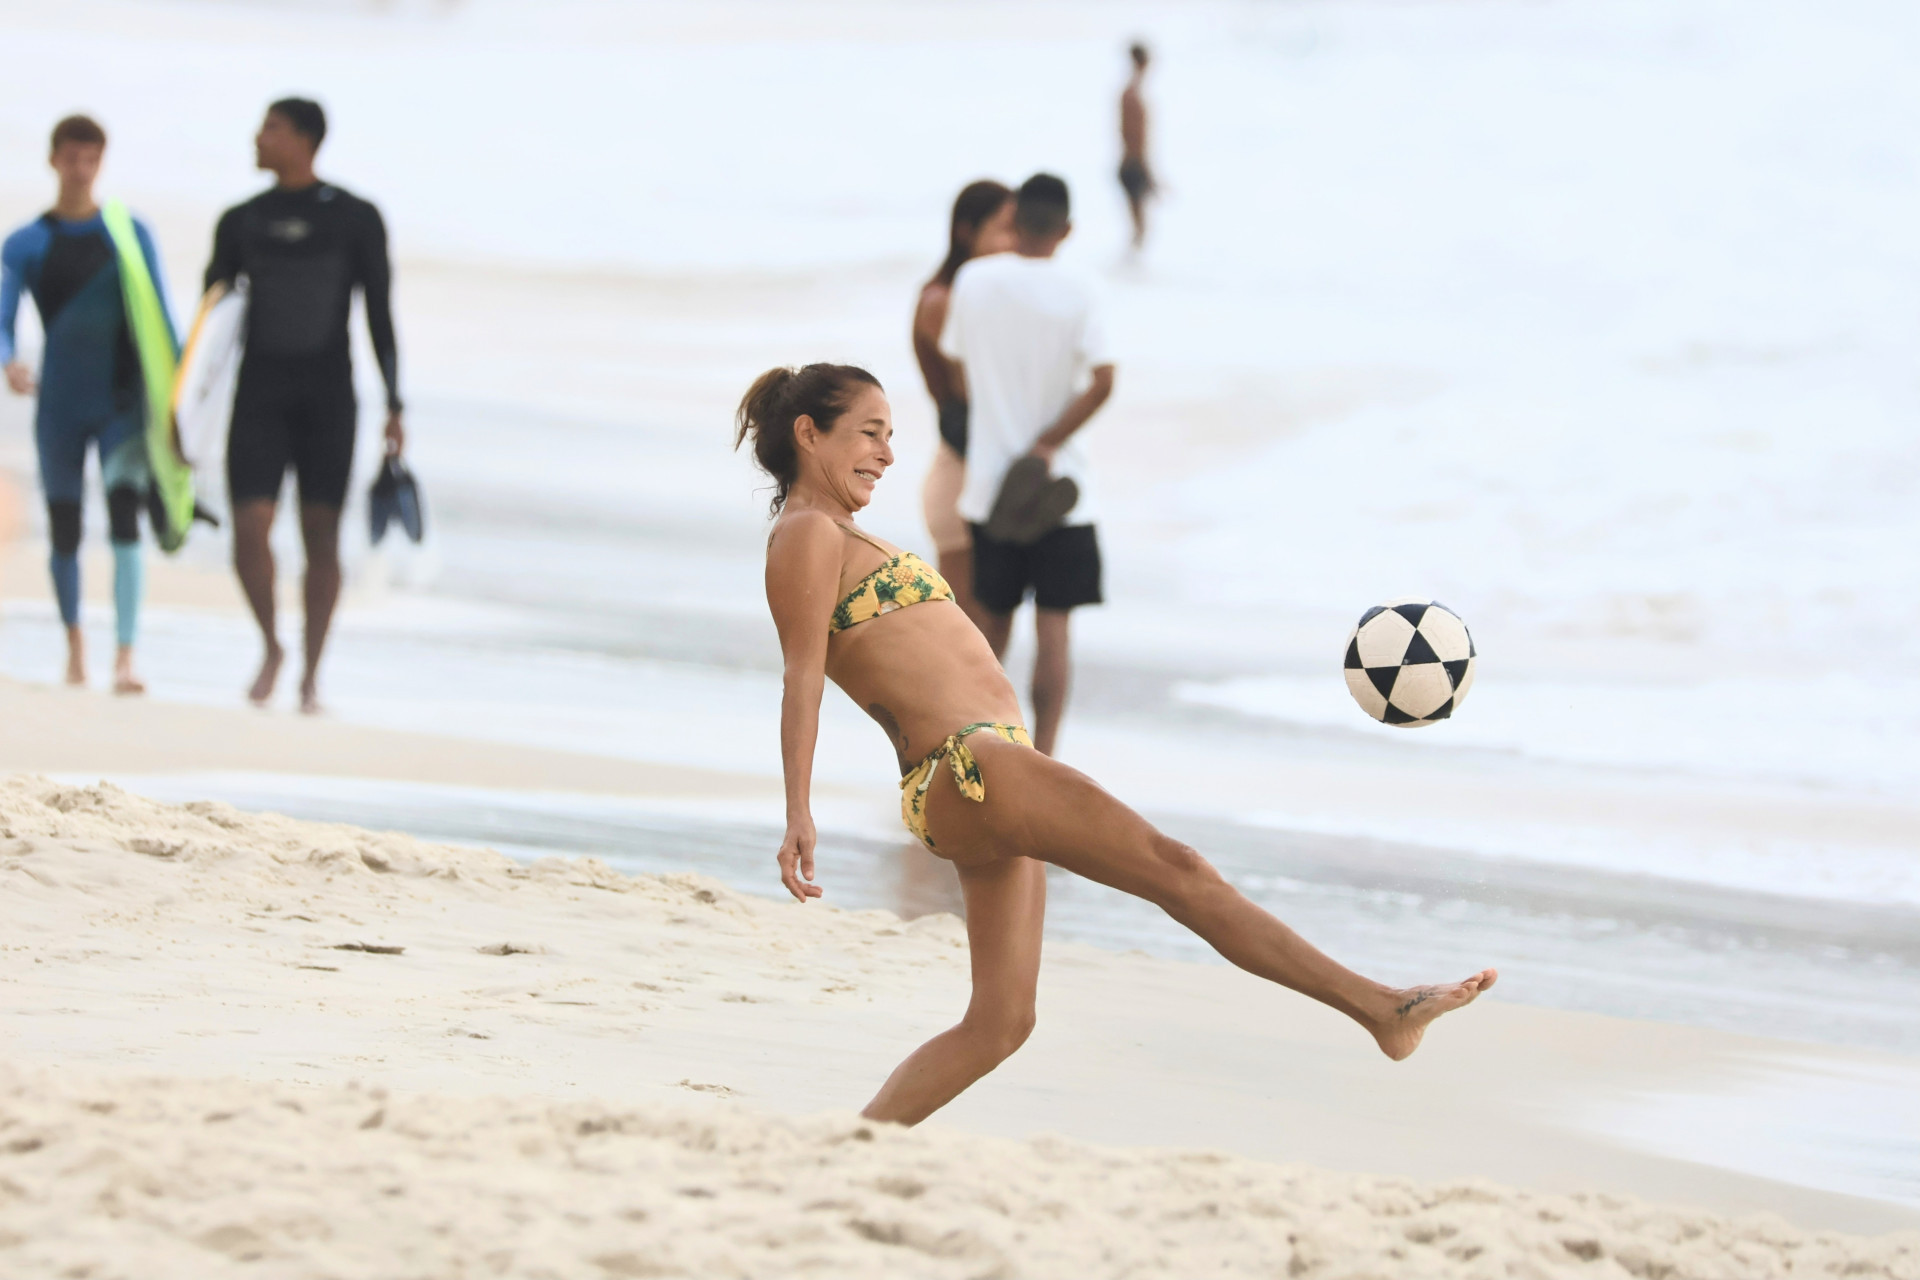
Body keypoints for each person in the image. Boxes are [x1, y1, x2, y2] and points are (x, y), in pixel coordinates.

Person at [736, 363, 1496, 1127]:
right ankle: (1381, 1008)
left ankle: (855, 1145)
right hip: (969, 768)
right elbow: (802, 675)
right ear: (809, 434)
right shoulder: (807, 533)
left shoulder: (840, 532)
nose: (887, 453)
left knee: (1001, 1024)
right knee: (1178, 868)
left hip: (982, 771)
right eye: (869, 433)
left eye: (891, 435)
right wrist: (799, 812)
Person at [204, 97, 404, 713]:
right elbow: (211, 323)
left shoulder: (355, 217)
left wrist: (395, 404)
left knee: (321, 535)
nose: (257, 137)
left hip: (328, 398)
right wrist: (188, 409)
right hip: (258, 394)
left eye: (271, 128)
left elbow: (379, 313)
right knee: (249, 530)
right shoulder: (241, 221)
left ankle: (311, 674)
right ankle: (272, 644)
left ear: (305, 139)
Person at [1, 114, 175, 694]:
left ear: (102, 162)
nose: (80, 170)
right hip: (59, 406)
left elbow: (161, 318)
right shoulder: (26, 242)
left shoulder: (129, 234)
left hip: (122, 403)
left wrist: (178, 403)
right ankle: (75, 649)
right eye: (71, 159)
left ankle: (125, 656)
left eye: (91, 160)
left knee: (126, 519)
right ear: (53, 160)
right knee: (65, 527)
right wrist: (9, 361)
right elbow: (3, 320)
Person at [940, 174, 1109, 758]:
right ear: (1067, 229)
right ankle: (1047, 756)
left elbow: (957, 369)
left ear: (1014, 222)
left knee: (990, 629)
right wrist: (1048, 441)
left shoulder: (975, 280)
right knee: (1054, 630)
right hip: (1064, 489)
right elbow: (1104, 381)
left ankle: (981, 747)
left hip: (991, 487)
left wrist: (1000, 422)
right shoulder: (1084, 288)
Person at [911, 179, 1013, 625]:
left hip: (977, 470)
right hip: (960, 475)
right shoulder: (942, 300)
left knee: (992, 628)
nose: (1015, 242)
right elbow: (974, 392)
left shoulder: (979, 296)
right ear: (966, 231)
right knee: (965, 632)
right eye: (1004, 229)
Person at [1119, 42, 1157, 248]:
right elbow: (1132, 135)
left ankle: (1133, 259)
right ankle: (1133, 258)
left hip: (1133, 162)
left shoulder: (1132, 92)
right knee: (1139, 227)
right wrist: (1144, 167)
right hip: (1133, 163)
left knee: (1139, 226)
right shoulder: (1132, 95)